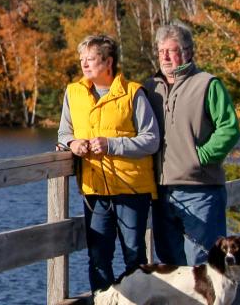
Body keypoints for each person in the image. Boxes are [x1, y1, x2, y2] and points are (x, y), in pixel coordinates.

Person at [58, 34, 161, 292]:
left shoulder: (133, 93)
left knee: (134, 256)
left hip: (132, 190)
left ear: (108, 62)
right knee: (98, 258)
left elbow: (151, 140)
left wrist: (111, 144)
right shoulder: (73, 93)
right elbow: (63, 133)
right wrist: (73, 144)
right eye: (82, 59)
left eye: (90, 59)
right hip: (95, 191)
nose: (84, 64)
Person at [149, 21, 240, 266]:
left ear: (188, 52)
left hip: (200, 191)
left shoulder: (207, 84)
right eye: (161, 51)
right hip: (161, 191)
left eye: (172, 50)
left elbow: (229, 129)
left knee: (202, 264)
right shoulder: (150, 88)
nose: (165, 57)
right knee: (171, 264)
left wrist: (200, 157)